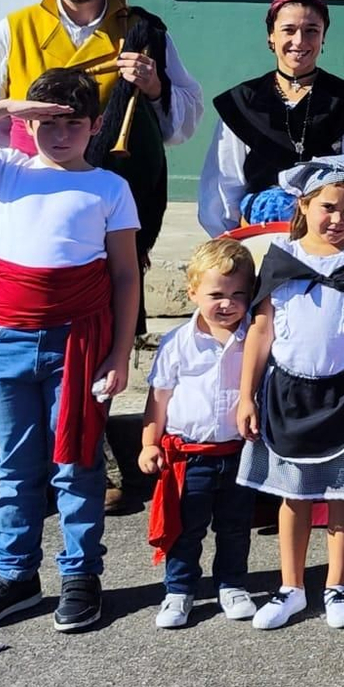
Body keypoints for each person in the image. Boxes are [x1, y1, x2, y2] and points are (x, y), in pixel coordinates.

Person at [0, 70, 141, 635]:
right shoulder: (5, 171)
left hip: (79, 341)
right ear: (26, 123)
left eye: (73, 122)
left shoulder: (110, 188)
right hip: (7, 341)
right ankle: (17, 576)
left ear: (96, 126)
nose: (60, 133)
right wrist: (5, 106)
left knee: (76, 463)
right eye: (47, 121)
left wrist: (120, 354)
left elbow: (124, 276)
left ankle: (81, 576)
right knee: (17, 469)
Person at [0, 0, 203, 270]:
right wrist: (29, 163)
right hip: (37, 191)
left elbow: (184, 118)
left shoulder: (142, 30)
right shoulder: (13, 31)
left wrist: (155, 87)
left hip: (115, 189)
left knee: (115, 293)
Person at [235, 155, 344, 631]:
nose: (339, 220)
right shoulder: (282, 260)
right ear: (303, 205)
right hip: (287, 396)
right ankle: (291, 587)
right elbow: (261, 333)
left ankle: (338, 585)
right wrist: (247, 396)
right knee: (294, 496)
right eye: (329, 207)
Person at [198, 0, 344, 239]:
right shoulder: (242, 103)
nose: (299, 41)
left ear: (323, 37)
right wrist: (231, 242)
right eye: (288, 30)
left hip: (331, 239)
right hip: (259, 236)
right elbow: (223, 183)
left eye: (311, 30)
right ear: (271, 37)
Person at [140, 237, 257, 630]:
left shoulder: (254, 340)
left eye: (239, 293)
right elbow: (158, 399)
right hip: (190, 456)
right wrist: (148, 443)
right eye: (216, 294)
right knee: (185, 529)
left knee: (236, 526)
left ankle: (232, 584)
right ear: (193, 292)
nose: (228, 303)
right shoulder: (177, 343)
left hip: (239, 452)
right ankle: (179, 590)